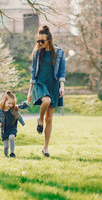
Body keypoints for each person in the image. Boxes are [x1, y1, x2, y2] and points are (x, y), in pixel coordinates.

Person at [27, 25, 65, 157]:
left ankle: (46, 148)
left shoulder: (59, 52)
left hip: (53, 85)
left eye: (42, 41)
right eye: (38, 41)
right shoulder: (37, 53)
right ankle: (39, 118)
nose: (40, 43)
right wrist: (30, 91)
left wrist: (62, 86)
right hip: (40, 83)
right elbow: (33, 72)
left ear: (49, 40)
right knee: (46, 101)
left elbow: (61, 71)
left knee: (50, 119)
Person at [0, 91, 29, 158]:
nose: (10, 105)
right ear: (4, 101)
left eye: (12, 104)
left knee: (11, 137)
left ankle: (12, 153)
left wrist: (27, 102)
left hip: (12, 128)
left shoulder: (14, 109)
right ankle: (6, 156)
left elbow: (21, 106)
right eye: (9, 103)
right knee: (6, 146)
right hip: (4, 130)